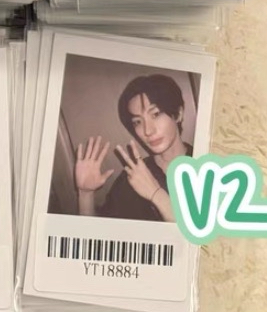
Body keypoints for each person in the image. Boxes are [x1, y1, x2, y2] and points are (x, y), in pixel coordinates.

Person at [73, 74, 191, 222]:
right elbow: (95, 232)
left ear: (178, 114)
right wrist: (85, 194)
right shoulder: (133, 175)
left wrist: (155, 194)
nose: (148, 130)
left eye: (155, 114)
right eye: (138, 122)